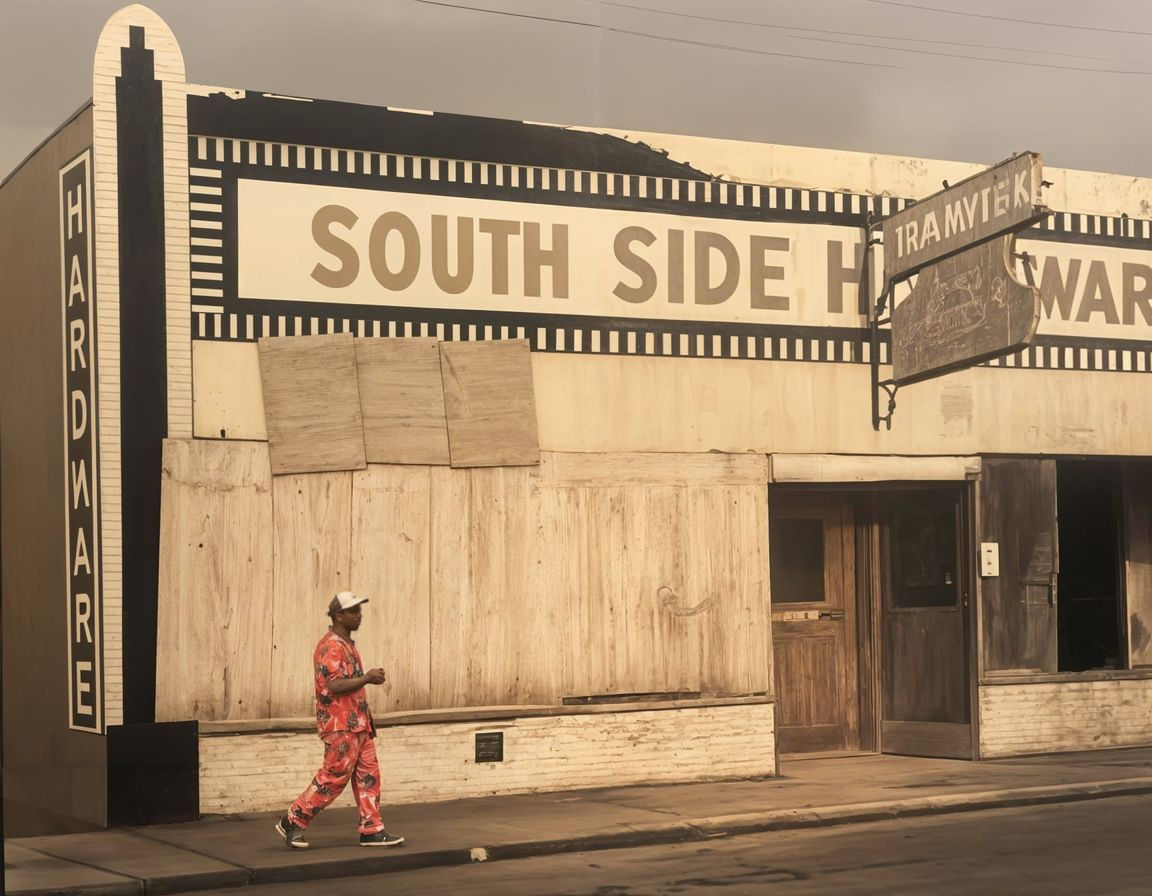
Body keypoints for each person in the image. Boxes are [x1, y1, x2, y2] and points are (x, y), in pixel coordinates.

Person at [275, 591, 405, 849]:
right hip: (340, 724)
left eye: (359, 610)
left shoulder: (347, 644)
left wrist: (367, 718)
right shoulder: (331, 646)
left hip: (358, 723)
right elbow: (335, 686)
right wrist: (367, 678)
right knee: (333, 777)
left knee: (369, 775)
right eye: (353, 611)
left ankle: (372, 829)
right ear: (338, 615)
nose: (359, 616)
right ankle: (293, 819)